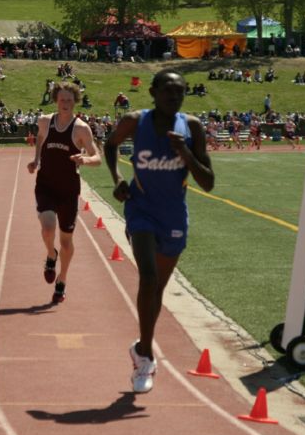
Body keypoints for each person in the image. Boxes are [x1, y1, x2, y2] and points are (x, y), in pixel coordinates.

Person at [105, 69, 214, 393]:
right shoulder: (134, 122)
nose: (174, 97)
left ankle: (140, 348)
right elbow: (110, 146)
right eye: (168, 90)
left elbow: (208, 182)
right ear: (152, 92)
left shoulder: (191, 127)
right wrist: (118, 179)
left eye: (179, 92)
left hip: (174, 217)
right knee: (148, 277)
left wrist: (185, 152)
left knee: (157, 293)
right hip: (141, 210)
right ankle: (148, 357)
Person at [27, 81, 101, 304]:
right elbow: (40, 138)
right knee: (48, 227)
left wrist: (85, 159)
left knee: (66, 241)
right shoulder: (44, 122)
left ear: (75, 101)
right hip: (46, 185)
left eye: (69, 99)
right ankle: (51, 255)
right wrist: (37, 159)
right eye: (62, 99)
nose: (66, 103)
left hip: (69, 189)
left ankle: (62, 279)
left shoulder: (81, 129)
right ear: (56, 100)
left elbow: (97, 157)